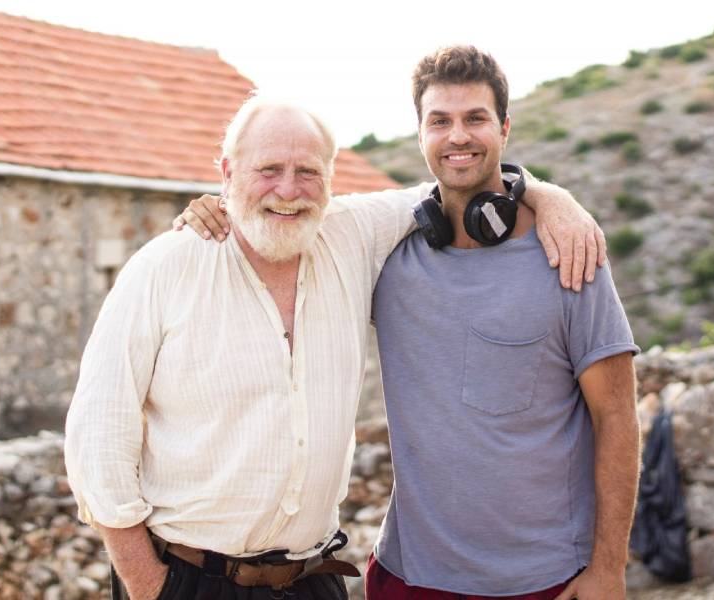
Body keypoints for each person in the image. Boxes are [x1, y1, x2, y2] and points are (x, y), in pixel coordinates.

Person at [66, 93, 603, 600]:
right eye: (268, 170)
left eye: (307, 172)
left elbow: (455, 178)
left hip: (313, 577)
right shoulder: (164, 268)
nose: (288, 189)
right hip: (189, 577)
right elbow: (98, 438)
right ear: (227, 174)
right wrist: (150, 587)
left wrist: (550, 197)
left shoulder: (352, 235)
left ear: (330, 179)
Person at [184, 46, 640, 600]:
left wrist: (608, 568)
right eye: (440, 121)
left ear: (505, 127)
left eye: (476, 118)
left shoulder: (569, 253)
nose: (458, 136)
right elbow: (281, 219)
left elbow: (616, 418)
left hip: (545, 578)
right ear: (420, 133)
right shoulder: (388, 258)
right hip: (408, 577)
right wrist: (218, 208)